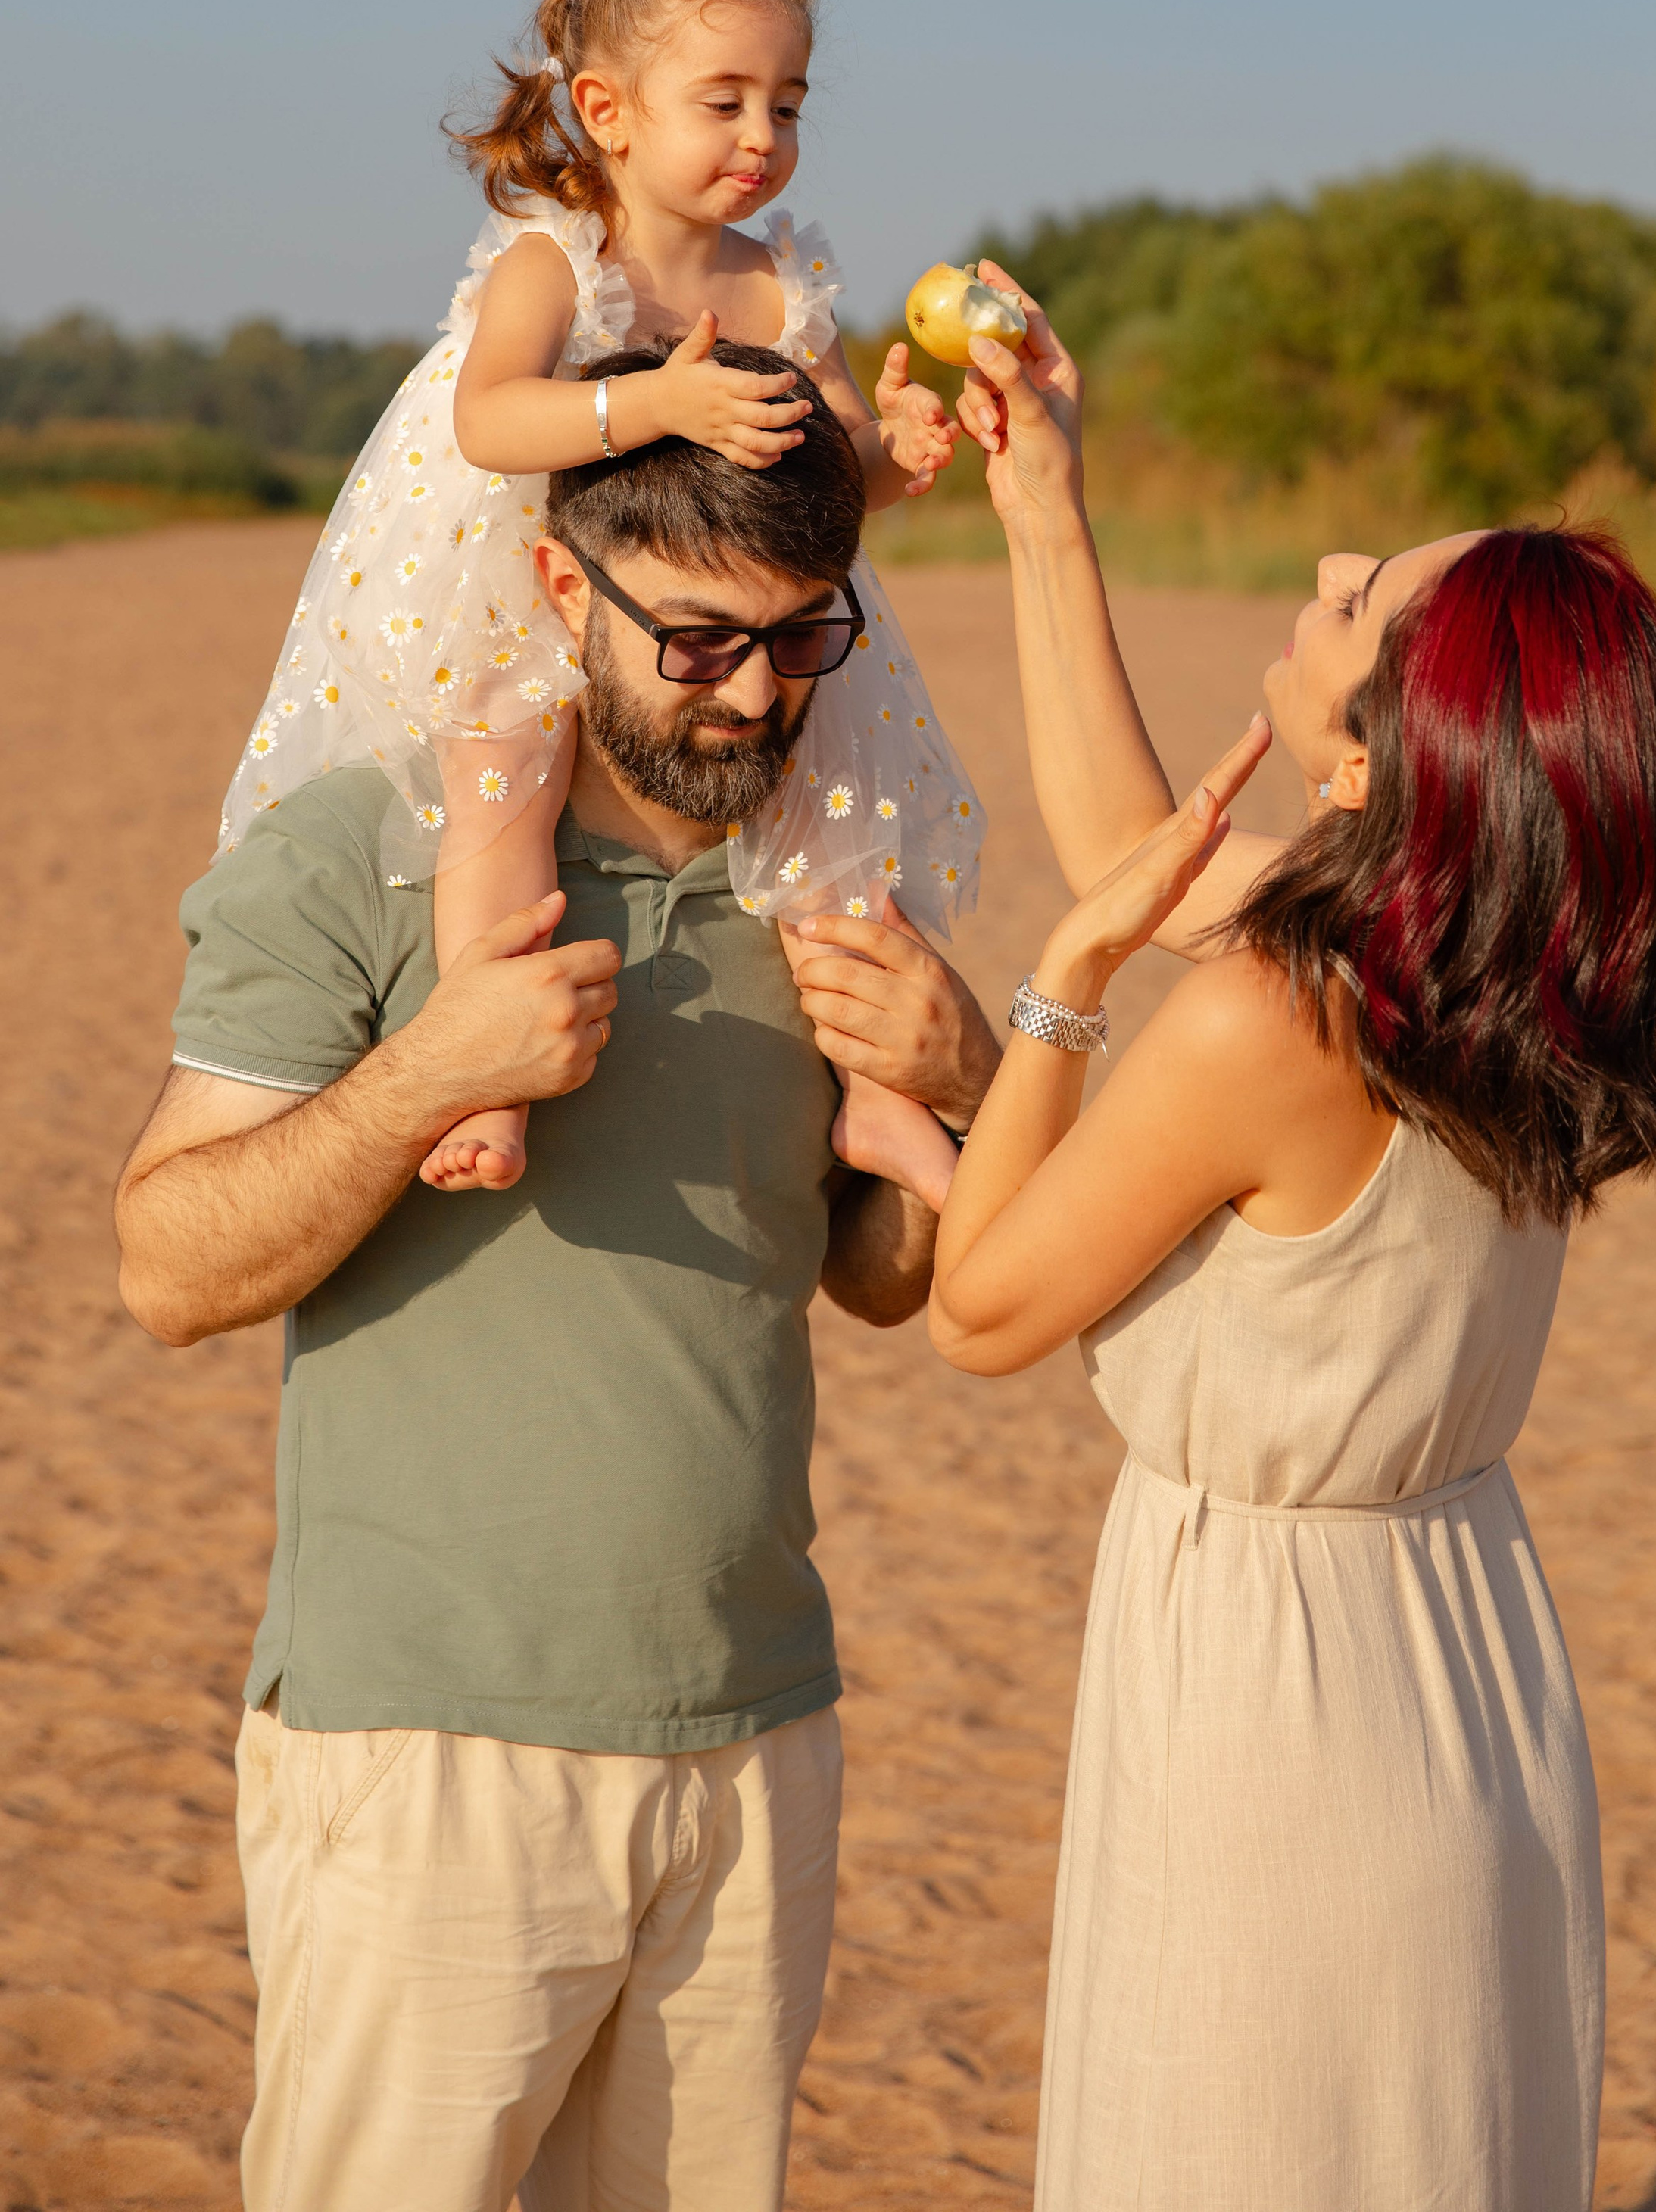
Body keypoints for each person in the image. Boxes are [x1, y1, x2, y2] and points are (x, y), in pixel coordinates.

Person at [115, 360, 1001, 2212]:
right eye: (693, 641)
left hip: (758, 1749)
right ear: (549, 588)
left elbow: (875, 1279)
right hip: (427, 1754)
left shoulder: (825, 882)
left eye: (797, 640)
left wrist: (958, 1079)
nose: (754, 692)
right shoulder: (367, 855)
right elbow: (167, 1265)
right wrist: (434, 1069)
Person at [935, 300, 1656, 2211]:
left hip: (1271, 1711)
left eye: (1360, 596)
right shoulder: (1506, 969)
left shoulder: (1267, 1021)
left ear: (1386, 756)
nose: (1320, 569)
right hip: (1459, 1658)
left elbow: (975, 1308)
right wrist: (1044, 507)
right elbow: (1138, 837)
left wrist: (1045, 996)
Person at [216, 0, 981, 1202]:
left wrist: (895, 448)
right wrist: (655, 407)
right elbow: (490, 415)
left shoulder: (783, 279)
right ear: (605, 110)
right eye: (724, 101)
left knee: (832, 813)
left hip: (732, 604)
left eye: (786, 107)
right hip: (524, 577)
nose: (762, 140)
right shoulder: (560, 258)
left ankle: (883, 1102)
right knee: (500, 788)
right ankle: (489, 1061)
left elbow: (830, 477)